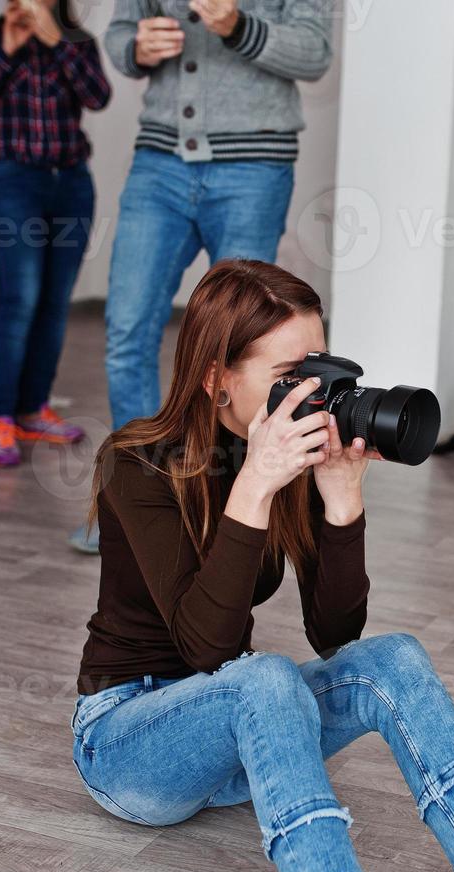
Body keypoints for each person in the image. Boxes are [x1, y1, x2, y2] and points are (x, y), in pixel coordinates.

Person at [73, 260, 454, 872]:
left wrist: (341, 501)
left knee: (393, 658)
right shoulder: (136, 464)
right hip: (128, 742)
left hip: (243, 739)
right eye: (290, 375)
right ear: (215, 378)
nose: (312, 397)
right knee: (261, 676)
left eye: (317, 372)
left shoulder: (286, 457)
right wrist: (255, 483)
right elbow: (206, 649)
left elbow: (335, 635)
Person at [68, 0, 330, 551]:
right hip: (159, 161)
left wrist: (237, 26)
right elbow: (118, 36)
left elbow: (313, 52)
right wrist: (136, 48)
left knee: (244, 345)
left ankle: (229, 506)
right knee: (127, 331)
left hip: (255, 164)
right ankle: (139, 506)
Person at [0, 0, 111, 467]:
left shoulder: (76, 37)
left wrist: (54, 41)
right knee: (19, 297)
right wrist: (7, 50)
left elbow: (97, 96)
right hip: (12, 183)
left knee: (54, 301)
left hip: (71, 184)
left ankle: (33, 408)